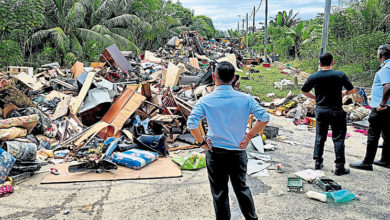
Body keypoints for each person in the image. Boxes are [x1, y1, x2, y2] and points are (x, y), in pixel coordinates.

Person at [187, 61, 270, 220]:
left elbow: (191, 123)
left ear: (213, 77)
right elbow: (264, 117)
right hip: (237, 152)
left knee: (219, 193)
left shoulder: (206, 100)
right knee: (241, 189)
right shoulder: (246, 99)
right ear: (234, 79)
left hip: (215, 153)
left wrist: (202, 143)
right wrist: (249, 136)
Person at [301, 53, 356, 175]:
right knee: (338, 138)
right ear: (333, 62)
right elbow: (351, 90)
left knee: (320, 137)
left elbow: (304, 90)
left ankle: (318, 162)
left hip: (321, 110)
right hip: (336, 110)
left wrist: (316, 97)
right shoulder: (339, 75)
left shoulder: (313, 76)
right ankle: (339, 166)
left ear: (320, 64)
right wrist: (343, 93)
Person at [350, 44, 390, 170]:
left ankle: (367, 162)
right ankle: (385, 160)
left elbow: (388, 86)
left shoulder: (385, 69)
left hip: (382, 109)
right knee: (387, 135)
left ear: (380, 56)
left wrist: (382, 103)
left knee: (373, 136)